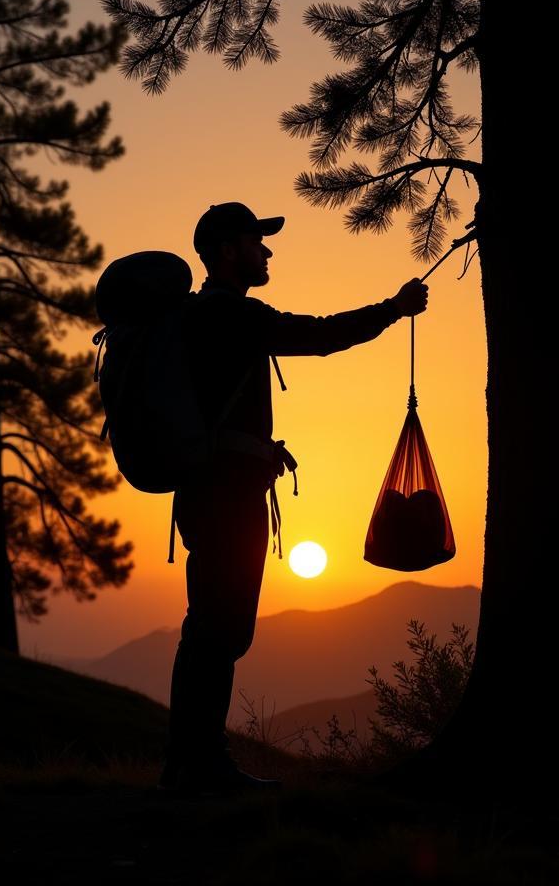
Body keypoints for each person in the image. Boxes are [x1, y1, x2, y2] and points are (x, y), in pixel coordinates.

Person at [158, 201, 428, 796]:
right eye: (257, 242)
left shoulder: (200, 318)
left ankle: (191, 763)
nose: (268, 251)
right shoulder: (230, 316)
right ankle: (199, 767)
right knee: (218, 629)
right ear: (228, 250)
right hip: (226, 496)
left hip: (212, 491)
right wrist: (394, 309)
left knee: (213, 627)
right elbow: (319, 335)